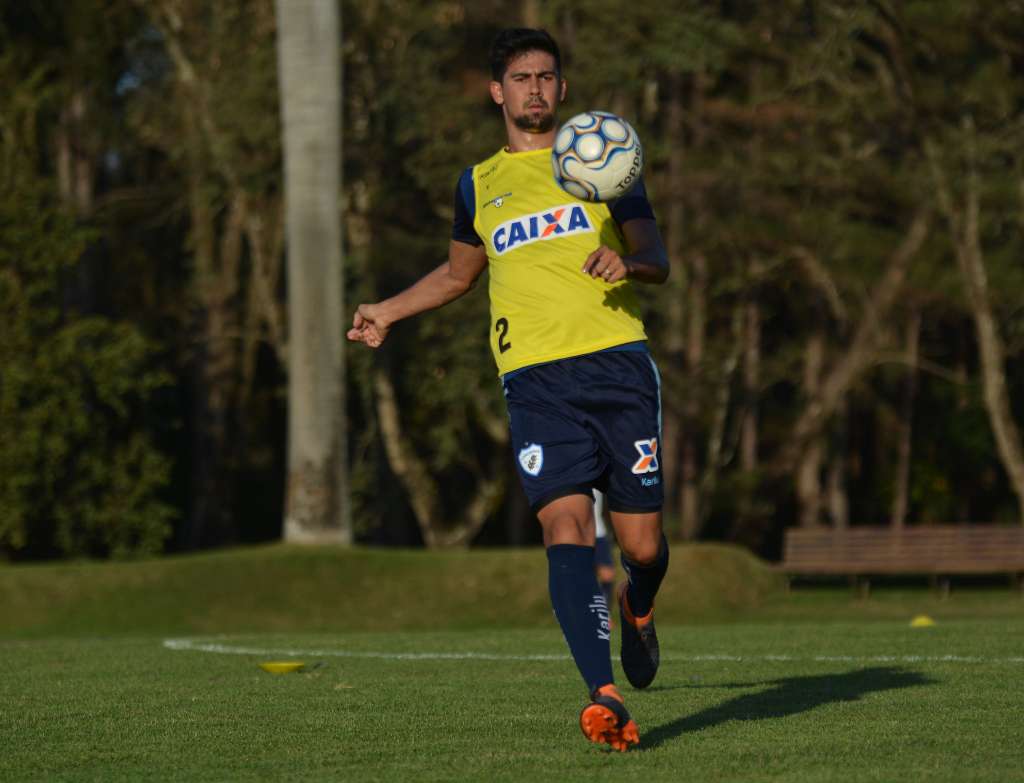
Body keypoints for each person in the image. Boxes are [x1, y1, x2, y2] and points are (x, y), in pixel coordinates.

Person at [347, 28, 670, 752]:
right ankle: (604, 694)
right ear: (498, 91)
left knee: (642, 545)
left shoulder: (604, 157)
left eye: (546, 76)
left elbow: (656, 253)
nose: (534, 88)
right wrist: (387, 311)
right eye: (520, 77)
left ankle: (639, 607)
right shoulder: (477, 183)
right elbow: (459, 275)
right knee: (565, 527)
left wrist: (631, 265)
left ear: (561, 87)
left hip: (618, 365)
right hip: (534, 379)